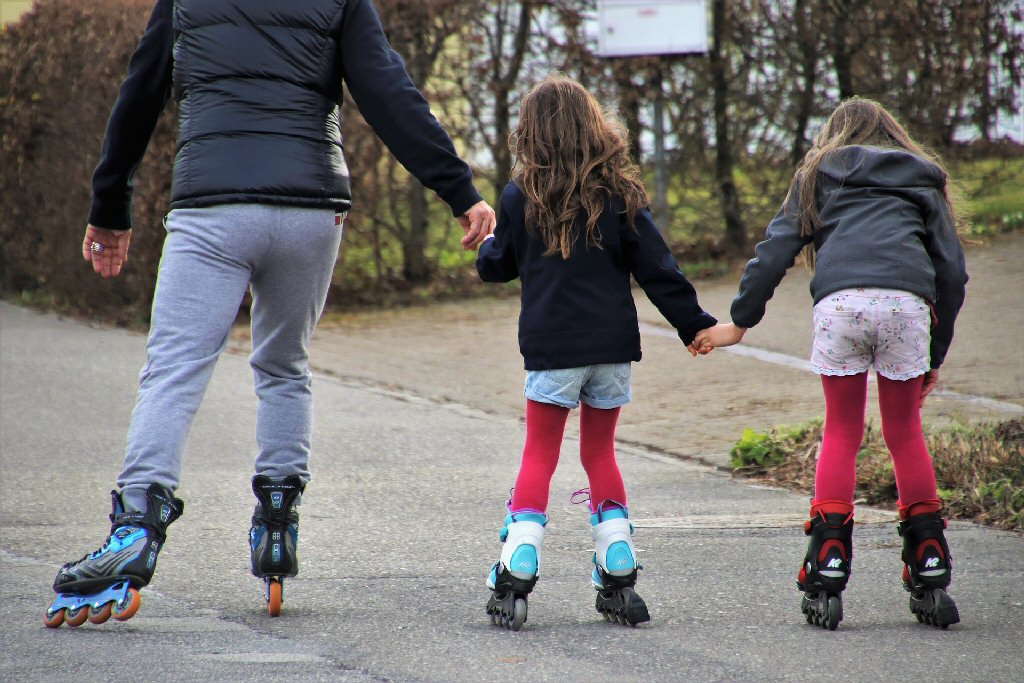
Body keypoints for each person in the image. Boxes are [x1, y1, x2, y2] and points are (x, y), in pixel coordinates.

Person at [44, 0, 496, 628]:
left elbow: (140, 94)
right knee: (284, 364)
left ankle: (136, 528)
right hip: (312, 209)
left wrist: (111, 203)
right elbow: (387, 90)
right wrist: (457, 189)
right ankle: (277, 525)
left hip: (212, 207)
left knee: (174, 367)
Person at [695, 97, 967, 630]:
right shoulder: (922, 178)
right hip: (906, 308)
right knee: (905, 432)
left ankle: (828, 561)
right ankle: (929, 560)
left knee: (841, 430)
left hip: (839, 306)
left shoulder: (818, 173)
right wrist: (937, 351)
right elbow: (952, 274)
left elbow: (773, 251)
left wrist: (740, 321)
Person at [476, 75, 718, 630]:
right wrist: (694, 326)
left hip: (552, 348)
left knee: (540, 453)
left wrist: (487, 243)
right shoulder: (620, 195)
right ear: (594, 126)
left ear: (530, 133)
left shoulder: (521, 195)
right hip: (611, 350)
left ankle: (519, 560)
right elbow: (657, 268)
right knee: (599, 454)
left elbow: (498, 266)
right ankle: (617, 558)